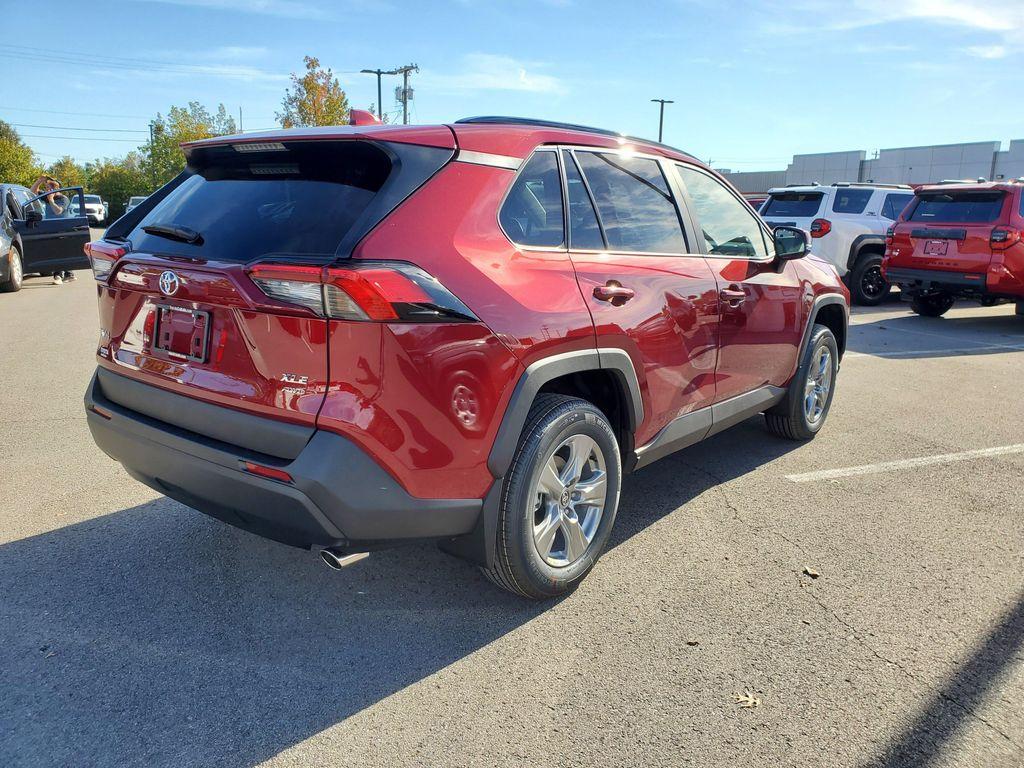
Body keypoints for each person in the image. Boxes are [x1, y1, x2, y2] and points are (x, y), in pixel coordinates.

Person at [30, 176, 76, 284]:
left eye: (49, 188)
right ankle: (69, 274)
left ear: (56, 189)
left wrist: (51, 200)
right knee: (57, 251)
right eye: (46, 188)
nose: (47, 190)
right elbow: (32, 192)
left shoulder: (64, 199)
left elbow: (58, 211)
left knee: (58, 251)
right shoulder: (47, 196)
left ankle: (58, 276)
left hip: (62, 229)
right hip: (51, 228)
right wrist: (39, 181)